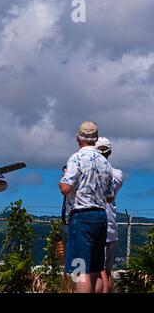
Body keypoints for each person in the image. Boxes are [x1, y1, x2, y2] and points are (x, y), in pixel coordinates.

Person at [59, 121, 114, 293]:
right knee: (96, 269)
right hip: (101, 216)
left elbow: (65, 188)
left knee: (80, 270)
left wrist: (63, 179)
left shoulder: (76, 158)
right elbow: (109, 196)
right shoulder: (105, 163)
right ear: (96, 138)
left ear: (78, 138)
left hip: (82, 216)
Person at [94, 137, 124, 293]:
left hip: (95, 223)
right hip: (111, 225)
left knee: (96, 271)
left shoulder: (93, 173)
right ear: (110, 152)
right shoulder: (118, 174)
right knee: (107, 270)